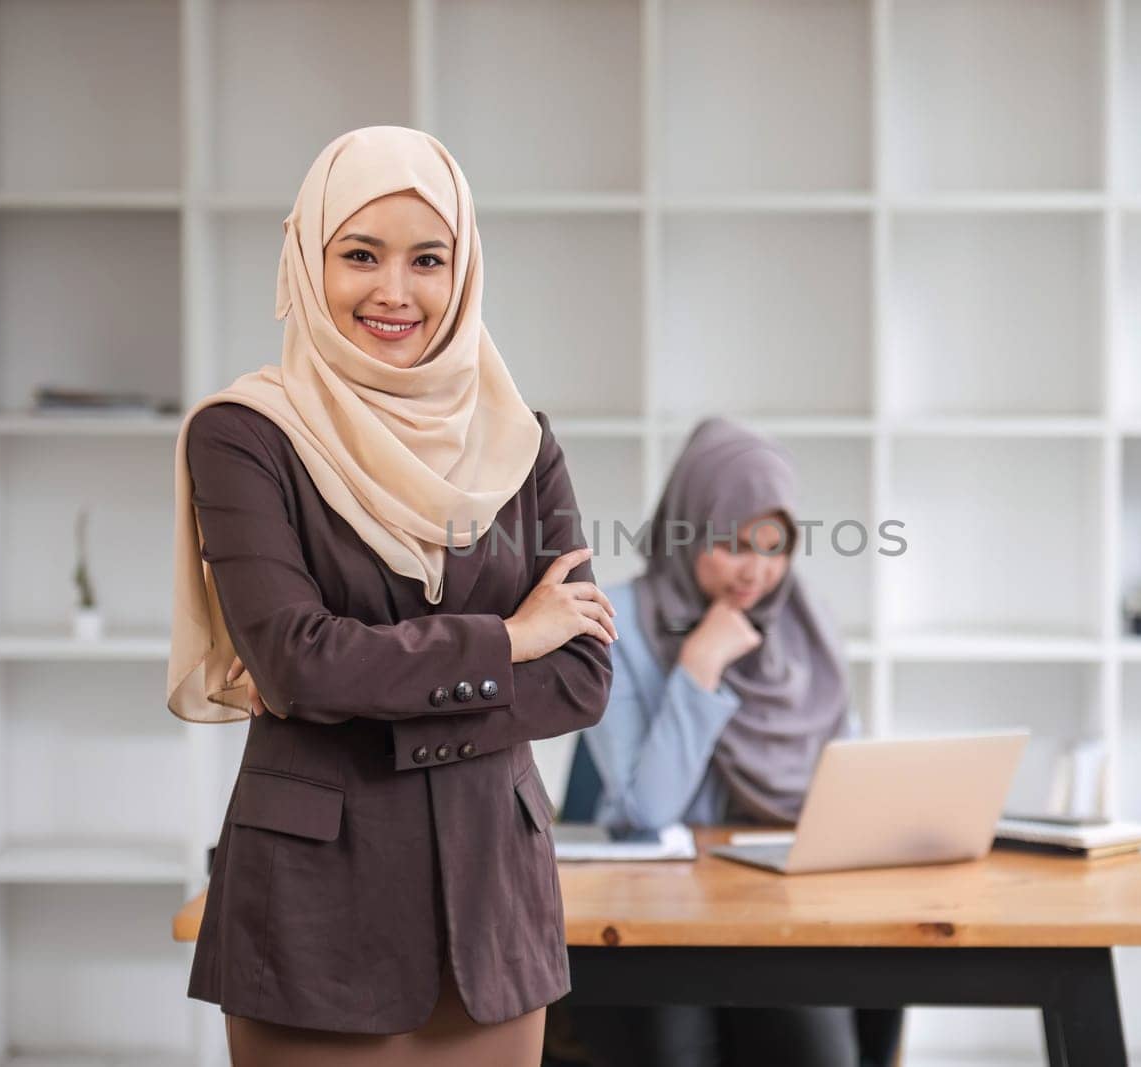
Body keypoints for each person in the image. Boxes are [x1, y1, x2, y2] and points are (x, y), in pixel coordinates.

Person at [164, 126, 615, 1066]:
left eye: (429, 259)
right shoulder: (246, 436)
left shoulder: (520, 442)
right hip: (314, 901)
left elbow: (581, 676)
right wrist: (507, 639)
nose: (395, 292)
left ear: (465, 271)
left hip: (495, 897)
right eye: (359, 255)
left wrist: (377, 689)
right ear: (307, 260)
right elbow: (296, 660)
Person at [566, 416, 864, 1067]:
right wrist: (698, 667)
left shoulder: (801, 627)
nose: (755, 571)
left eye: (774, 545)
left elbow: (849, 782)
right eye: (732, 542)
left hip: (779, 912)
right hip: (653, 921)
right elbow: (650, 810)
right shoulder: (611, 623)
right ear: (687, 526)